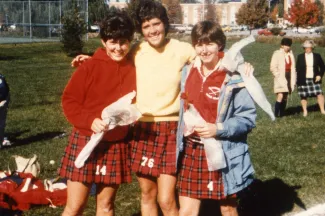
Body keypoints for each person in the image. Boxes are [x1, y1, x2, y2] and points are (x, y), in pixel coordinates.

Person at [72, 1, 196, 215]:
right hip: (141, 128)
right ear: (141, 30)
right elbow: (113, 57)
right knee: (147, 194)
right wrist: (92, 59)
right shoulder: (137, 50)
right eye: (146, 27)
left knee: (166, 199)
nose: (152, 30)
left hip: (171, 128)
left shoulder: (182, 49)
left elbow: (209, 56)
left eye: (156, 24)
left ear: (165, 24)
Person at [58, 8, 136, 216]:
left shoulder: (135, 67)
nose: (118, 48)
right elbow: (70, 100)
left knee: (106, 205)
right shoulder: (89, 67)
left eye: (123, 42)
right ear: (103, 41)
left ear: (130, 41)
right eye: (113, 42)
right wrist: (89, 120)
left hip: (116, 143)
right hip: (86, 138)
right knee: (75, 206)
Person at [177, 21, 256, 216]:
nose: (204, 50)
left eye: (209, 43)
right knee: (187, 211)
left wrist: (217, 128)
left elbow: (247, 118)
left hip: (223, 149)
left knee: (228, 208)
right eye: (199, 44)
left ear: (219, 44)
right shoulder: (188, 71)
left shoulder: (234, 75)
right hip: (192, 149)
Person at [296, 40, 325, 117]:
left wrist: (319, 75)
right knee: (303, 95)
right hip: (303, 79)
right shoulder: (300, 57)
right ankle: (305, 111)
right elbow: (297, 69)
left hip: (314, 79)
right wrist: (296, 80)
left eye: (309, 48)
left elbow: (322, 67)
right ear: (303, 48)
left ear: (312, 48)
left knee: (319, 94)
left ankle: (322, 110)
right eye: (305, 48)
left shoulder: (317, 56)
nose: (307, 49)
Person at [270, 38, 296, 117]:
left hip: (289, 76)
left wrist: (294, 77)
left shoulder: (291, 54)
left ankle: (282, 113)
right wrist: (277, 75)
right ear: (282, 45)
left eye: (289, 45)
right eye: (286, 45)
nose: (287, 47)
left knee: (285, 96)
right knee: (280, 95)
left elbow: (293, 67)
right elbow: (273, 66)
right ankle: (275, 114)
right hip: (280, 76)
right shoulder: (277, 53)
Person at [0, 73, 10, 149]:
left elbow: (4, 93)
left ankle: (1, 140)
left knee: (1, 122)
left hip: (3, 99)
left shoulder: (1, 84)